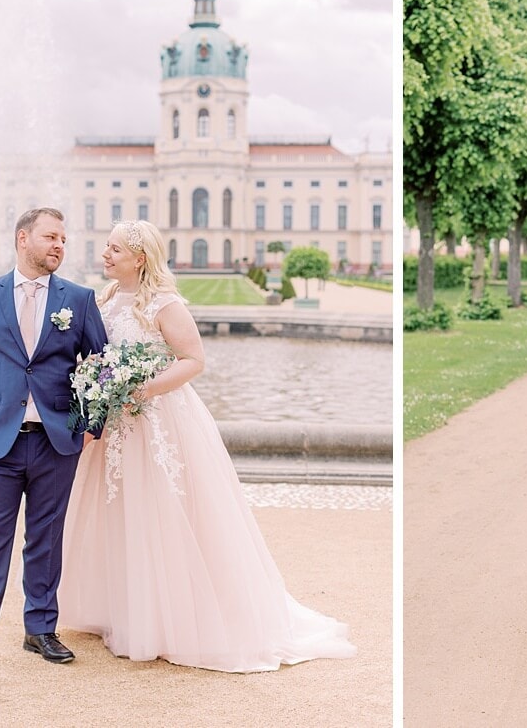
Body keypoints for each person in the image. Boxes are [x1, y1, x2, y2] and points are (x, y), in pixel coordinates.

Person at [59, 220, 356, 672]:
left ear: (140, 258)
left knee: (164, 514)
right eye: (107, 248)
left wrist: (140, 391)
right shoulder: (100, 299)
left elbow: (194, 359)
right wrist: (97, 389)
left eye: (114, 249)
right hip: (115, 427)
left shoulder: (164, 303)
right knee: (119, 514)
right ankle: (126, 611)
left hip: (157, 421)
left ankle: (170, 619)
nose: (106, 254)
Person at [0, 207, 108, 678]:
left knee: (46, 539)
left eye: (63, 238)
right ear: (24, 239)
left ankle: (40, 630)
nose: (59, 245)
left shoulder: (78, 299)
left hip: (55, 444)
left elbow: (100, 367)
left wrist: (85, 425)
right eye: (50, 236)